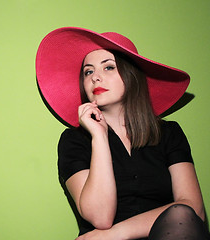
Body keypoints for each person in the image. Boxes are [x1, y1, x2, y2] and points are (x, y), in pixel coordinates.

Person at [35, 27, 210, 240]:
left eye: (108, 67)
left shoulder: (169, 133)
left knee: (181, 217)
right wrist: (99, 137)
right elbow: (100, 218)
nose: (95, 78)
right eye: (88, 72)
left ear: (131, 76)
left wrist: (117, 233)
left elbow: (193, 209)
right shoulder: (74, 141)